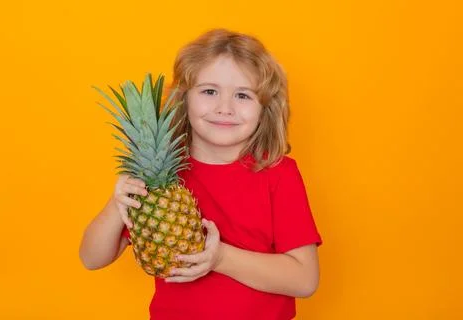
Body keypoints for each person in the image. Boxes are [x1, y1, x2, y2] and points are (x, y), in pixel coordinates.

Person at [79, 28, 323, 320]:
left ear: (265, 108)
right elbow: (91, 258)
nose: (224, 108)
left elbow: (305, 279)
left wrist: (220, 257)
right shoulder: (162, 181)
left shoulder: (278, 173)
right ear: (185, 99)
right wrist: (116, 203)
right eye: (209, 91)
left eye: (243, 95)